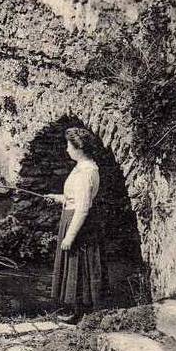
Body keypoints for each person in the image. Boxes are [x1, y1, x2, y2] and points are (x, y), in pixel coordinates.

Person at [46, 127, 107, 323]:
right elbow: (76, 197)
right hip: (72, 215)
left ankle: (83, 313)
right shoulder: (82, 167)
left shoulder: (86, 172)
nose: (66, 149)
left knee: (80, 264)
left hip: (78, 221)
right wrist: (59, 198)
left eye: (68, 145)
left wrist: (70, 236)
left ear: (78, 148)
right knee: (77, 265)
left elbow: (82, 208)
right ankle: (79, 311)